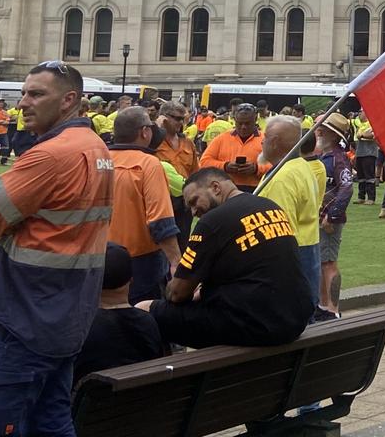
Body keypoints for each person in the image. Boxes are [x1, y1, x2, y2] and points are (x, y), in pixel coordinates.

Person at [0, 61, 114, 435]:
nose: (24, 103)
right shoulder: (96, 147)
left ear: (69, 100)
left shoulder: (50, 155)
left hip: (26, 317)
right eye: (24, 94)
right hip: (67, 315)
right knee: (51, 421)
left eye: (36, 94)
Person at [137, 168, 314, 347]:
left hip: (256, 325)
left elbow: (177, 294)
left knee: (145, 309)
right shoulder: (270, 206)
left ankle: (154, 372)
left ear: (215, 188)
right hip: (295, 318)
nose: (192, 212)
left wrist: (173, 289)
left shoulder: (212, 222)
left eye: (194, 201)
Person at [108, 107, 181, 303]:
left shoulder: (99, 161)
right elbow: (161, 221)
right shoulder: (149, 164)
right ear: (145, 132)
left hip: (98, 256)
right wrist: (176, 262)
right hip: (140, 262)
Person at [73, 243, 167, 386]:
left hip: (89, 405)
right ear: (131, 279)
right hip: (142, 402)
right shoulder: (148, 323)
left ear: (92, 280)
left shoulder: (80, 330)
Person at [256, 115, 323, 312]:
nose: (262, 141)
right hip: (307, 248)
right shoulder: (301, 165)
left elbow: (280, 232)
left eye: (265, 136)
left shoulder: (282, 177)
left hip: (291, 256)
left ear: (274, 142)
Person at [315, 113, 354, 319]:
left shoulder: (338, 159)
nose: (316, 130)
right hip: (320, 217)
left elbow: (347, 188)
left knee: (328, 263)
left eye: (320, 127)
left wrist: (332, 215)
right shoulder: (325, 156)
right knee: (322, 262)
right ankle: (323, 306)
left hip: (328, 220)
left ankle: (332, 309)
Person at [154, 101, 198, 253]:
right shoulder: (154, 143)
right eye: (176, 118)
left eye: (182, 119)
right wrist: (157, 128)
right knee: (161, 242)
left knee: (183, 241)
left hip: (184, 201)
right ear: (164, 118)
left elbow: (194, 172)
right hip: (162, 200)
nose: (180, 122)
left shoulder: (187, 143)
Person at [200, 103, 267, 192]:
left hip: (256, 190)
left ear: (255, 120)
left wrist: (256, 169)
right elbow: (204, 162)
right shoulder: (222, 139)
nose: (243, 127)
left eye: (247, 123)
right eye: (240, 123)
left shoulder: (265, 140)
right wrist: (225, 166)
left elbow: (277, 165)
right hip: (225, 190)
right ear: (234, 120)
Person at [352, 115, 380, 205]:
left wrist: (363, 135)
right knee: (361, 176)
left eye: (361, 112)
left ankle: (371, 198)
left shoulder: (372, 124)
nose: (359, 114)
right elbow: (357, 136)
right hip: (360, 152)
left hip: (369, 153)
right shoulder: (360, 125)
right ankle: (361, 196)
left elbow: (372, 135)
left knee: (369, 176)